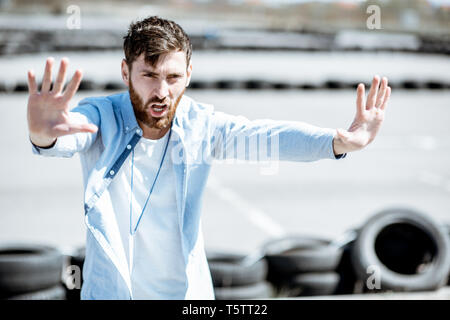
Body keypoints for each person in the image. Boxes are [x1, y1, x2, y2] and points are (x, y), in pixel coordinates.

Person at [26, 16, 391, 300]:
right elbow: (62, 137)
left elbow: (266, 138)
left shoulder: (200, 126)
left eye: (172, 77)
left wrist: (339, 142)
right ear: (126, 73)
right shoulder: (101, 118)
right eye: (149, 76)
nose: (161, 91)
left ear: (188, 75)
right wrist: (42, 131)